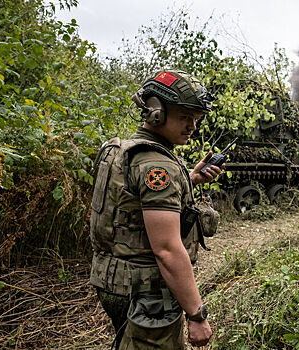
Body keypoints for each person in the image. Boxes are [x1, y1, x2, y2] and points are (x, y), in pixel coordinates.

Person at [89, 69, 222, 349]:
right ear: (156, 112)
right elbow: (167, 250)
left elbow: (129, 204)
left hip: (112, 281)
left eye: (196, 119)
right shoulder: (157, 165)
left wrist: (191, 178)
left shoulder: (120, 149)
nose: (192, 127)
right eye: (185, 117)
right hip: (145, 292)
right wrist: (197, 315)